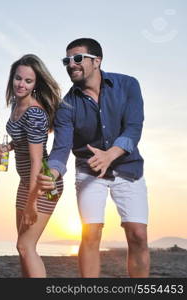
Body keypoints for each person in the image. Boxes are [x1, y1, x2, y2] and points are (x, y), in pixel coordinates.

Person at [38, 38, 149, 277]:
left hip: (127, 167)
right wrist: (52, 173)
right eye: (67, 60)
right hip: (89, 171)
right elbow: (61, 149)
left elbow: (133, 128)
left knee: (138, 235)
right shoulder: (66, 105)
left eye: (78, 58)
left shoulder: (128, 85)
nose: (71, 64)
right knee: (90, 233)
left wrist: (111, 155)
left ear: (96, 61)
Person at [0, 54, 63, 277]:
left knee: (26, 246)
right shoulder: (18, 105)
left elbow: (37, 160)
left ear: (36, 84)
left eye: (28, 81)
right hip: (26, 182)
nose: (21, 84)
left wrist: (32, 203)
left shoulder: (34, 113)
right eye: (18, 78)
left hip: (43, 184)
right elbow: (27, 141)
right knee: (22, 248)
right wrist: (10, 147)